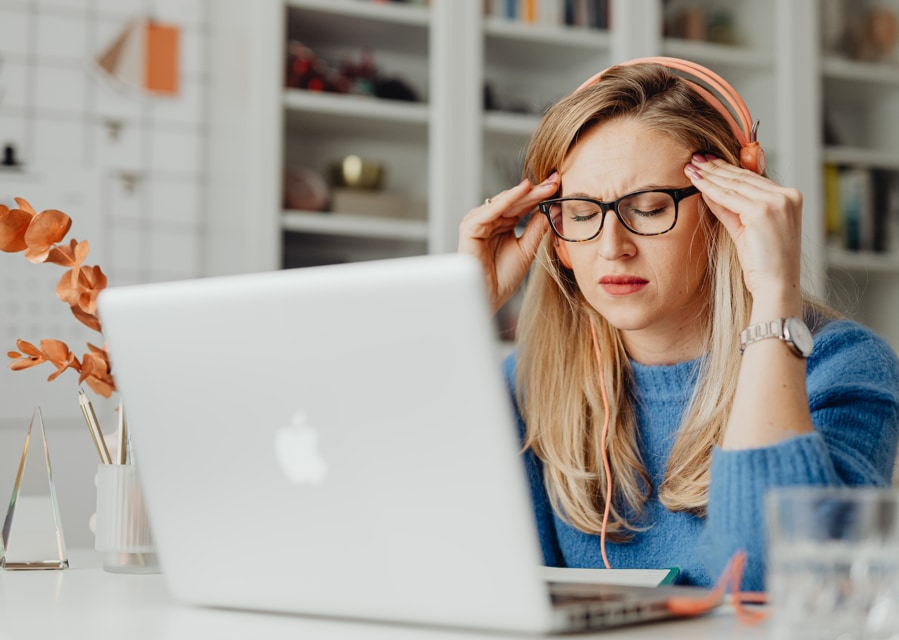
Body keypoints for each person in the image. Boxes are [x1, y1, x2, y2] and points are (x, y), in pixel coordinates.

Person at [458, 57, 899, 591]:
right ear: (556, 236)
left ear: (727, 212)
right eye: (580, 214)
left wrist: (772, 299)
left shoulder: (843, 368)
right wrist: (459, 316)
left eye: (647, 208)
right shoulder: (528, 383)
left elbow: (767, 582)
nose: (611, 247)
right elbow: (449, 564)